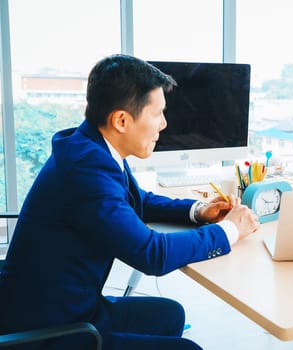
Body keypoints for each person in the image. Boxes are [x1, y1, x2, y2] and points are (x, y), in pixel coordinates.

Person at [0, 54, 260, 350]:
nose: (164, 123)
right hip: (51, 330)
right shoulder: (88, 169)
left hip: (68, 303)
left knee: (170, 315)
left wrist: (199, 211)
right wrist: (230, 230)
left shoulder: (91, 146)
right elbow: (153, 254)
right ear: (122, 120)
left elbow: (139, 201)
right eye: (158, 113)